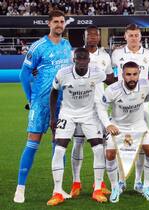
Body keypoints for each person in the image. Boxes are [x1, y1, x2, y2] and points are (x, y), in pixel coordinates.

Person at [14, 10, 72, 203]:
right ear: (49, 24)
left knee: (60, 145)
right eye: (56, 21)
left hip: (62, 104)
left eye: (62, 21)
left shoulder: (66, 45)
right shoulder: (38, 46)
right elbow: (24, 74)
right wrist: (31, 100)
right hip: (41, 103)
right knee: (32, 143)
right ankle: (20, 189)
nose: (59, 24)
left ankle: (58, 188)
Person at [47, 48, 107, 206]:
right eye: (78, 59)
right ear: (73, 60)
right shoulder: (63, 73)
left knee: (99, 148)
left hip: (89, 114)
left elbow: (110, 80)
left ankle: (98, 189)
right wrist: (53, 117)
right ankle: (57, 191)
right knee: (59, 149)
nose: (81, 61)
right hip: (67, 114)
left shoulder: (98, 73)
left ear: (89, 60)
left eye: (84, 58)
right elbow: (53, 93)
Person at [96, 61, 149, 202]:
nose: (132, 77)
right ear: (122, 75)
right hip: (118, 126)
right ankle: (115, 187)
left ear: (139, 74)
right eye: (128, 74)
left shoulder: (146, 85)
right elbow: (101, 108)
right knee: (110, 154)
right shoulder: (112, 90)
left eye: (135, 74)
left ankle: (146, 186)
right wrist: (108, 124)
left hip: (138, 125)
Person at [70, 24, 116, 198]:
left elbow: (110, 80)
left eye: (95, 35)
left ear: (99, 37)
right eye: (89, 35)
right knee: (78, 143)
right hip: (80, 106)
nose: (92, 38)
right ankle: (76, 182)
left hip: (100, 107)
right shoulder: (75, 54)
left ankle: (100, 183)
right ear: (84, 37)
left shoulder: (105, 56)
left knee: (101, 145)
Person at [111, 24, 149, 192]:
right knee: (121, 142)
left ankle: (138, 181)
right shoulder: (117, 54)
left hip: (143, 105)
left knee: (142, 142)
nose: (134, 38)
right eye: (131, 35)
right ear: (125, 36)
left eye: (137, 35)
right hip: (121, 105)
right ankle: (122, 180)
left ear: (140, 37)